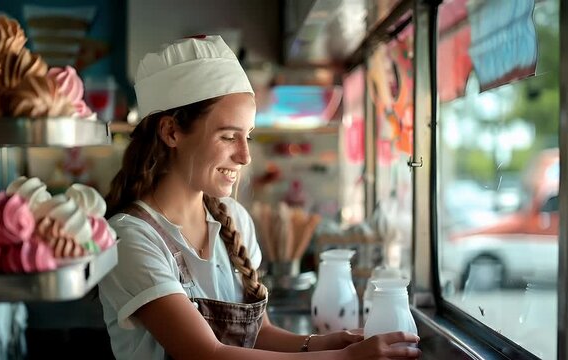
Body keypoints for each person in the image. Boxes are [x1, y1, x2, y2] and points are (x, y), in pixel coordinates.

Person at [98, 35, 421, 360]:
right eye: (228, 137)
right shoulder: (130, 238)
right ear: (171, 133)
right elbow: (206, 353)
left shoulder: (233, 218)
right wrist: (346, 359)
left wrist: (323, 343)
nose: (245, 156)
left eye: (248, 136)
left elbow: (257, 335)